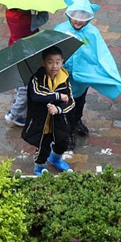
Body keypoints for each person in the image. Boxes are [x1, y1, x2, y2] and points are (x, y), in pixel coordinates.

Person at [53, 0, 121, 148]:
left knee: (79, 103)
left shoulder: (92, 33)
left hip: (82, 81)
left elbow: (102, 54)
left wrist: (111, 76)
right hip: (62, 80)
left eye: (83, 16)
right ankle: (67, 133)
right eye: (75, 16)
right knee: (65, 108)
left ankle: (76, 122)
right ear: (68, 14)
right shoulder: (60, 30)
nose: (79, 20)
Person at [22, 46, 75, 175]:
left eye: (58, 62)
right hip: (42, 122)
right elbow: (37, 95)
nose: (54, 66)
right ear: (43, 63)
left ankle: (55, 159)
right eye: (50, 62)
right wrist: (56, 96)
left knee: (62, 142)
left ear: (62, 62)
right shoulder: (36, 79)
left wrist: (58, 109)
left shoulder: (64, 79)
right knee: (43, 146)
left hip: (58, 120)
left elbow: (70, 101)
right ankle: (40, 166)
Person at [3, 7, 50, 128]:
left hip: (15, 49)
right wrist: (40, 8)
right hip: (27, 54)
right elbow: (44, 18)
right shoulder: (28, 20)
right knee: (25, 86)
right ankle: (15, 114)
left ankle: (18, 104)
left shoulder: (9, 12)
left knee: (20, 81)